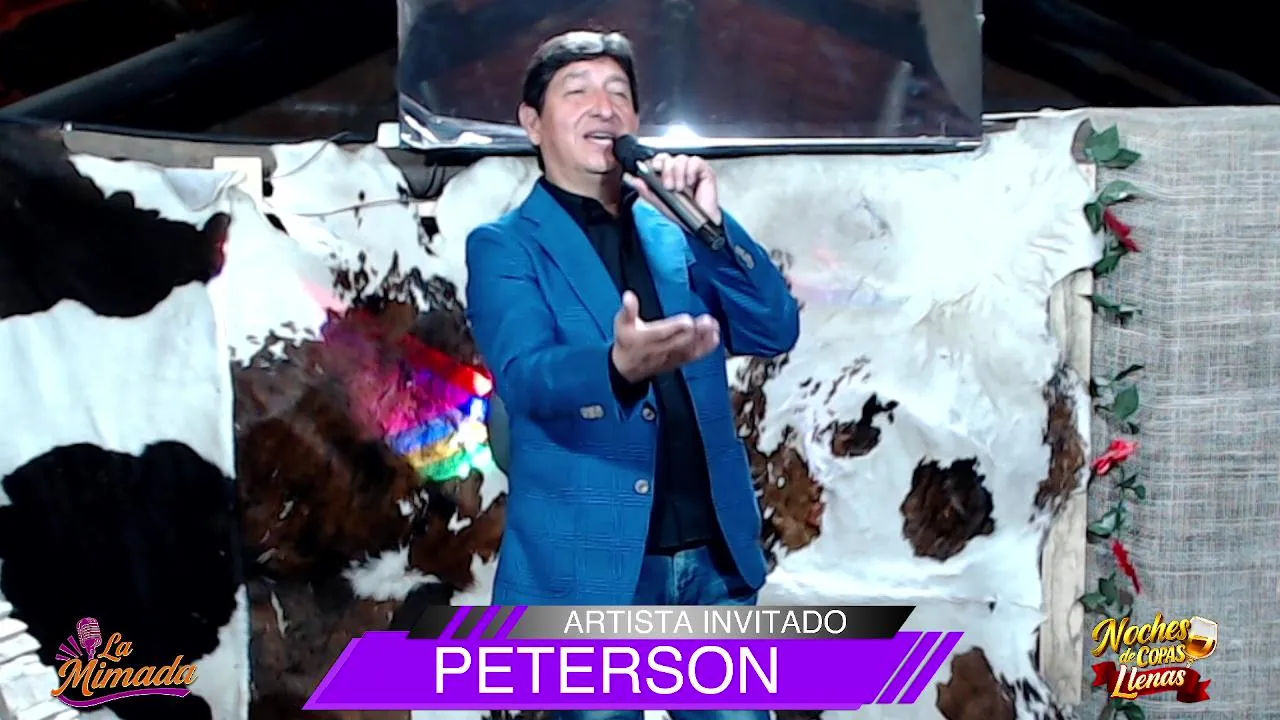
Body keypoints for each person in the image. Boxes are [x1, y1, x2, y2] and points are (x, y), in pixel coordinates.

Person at [464, 30, 799, 719]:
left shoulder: (678, 235)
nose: (604, 107)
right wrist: (616, 367)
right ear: (532, 122)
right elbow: (526, 378)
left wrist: (713, 227)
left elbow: (774, 329)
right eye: (578, 91)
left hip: (713, 569)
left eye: (619, 93)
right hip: (587, 575)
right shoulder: (505, 246)